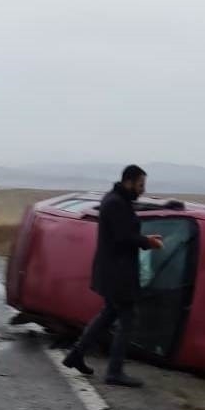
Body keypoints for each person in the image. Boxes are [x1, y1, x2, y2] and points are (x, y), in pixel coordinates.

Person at [62, 165, 163, 387]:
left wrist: (145, 239)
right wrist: (147, 242)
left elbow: (126, 233)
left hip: (114, 271)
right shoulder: (116, 203)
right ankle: (114, 371)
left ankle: (76, 355)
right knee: (127, 319)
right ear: (129, 182)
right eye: (140, 185)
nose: (142, 190)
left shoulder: (119, 200)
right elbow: (122, 237)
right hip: (117, 273)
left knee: (108, 314)